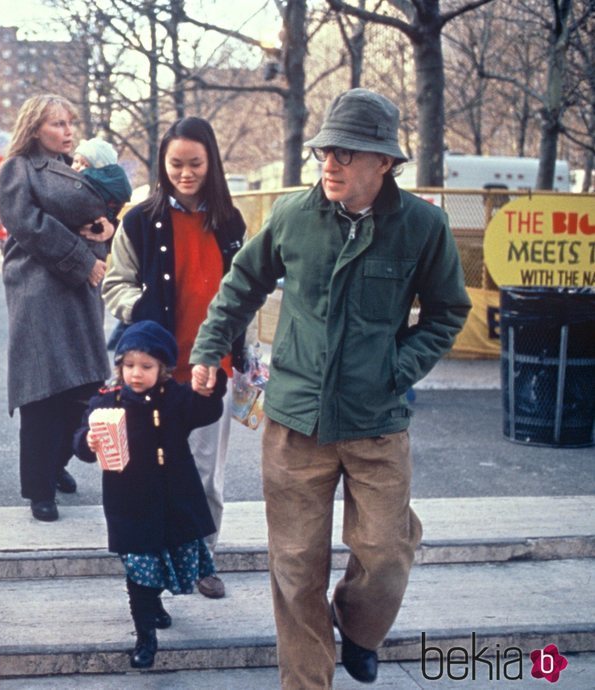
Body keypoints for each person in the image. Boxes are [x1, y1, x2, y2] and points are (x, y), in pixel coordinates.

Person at [189, 89, 472, 688]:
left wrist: (399, 367)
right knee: (295, 569)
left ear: (384, 163)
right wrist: (209, 347)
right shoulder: (293, 215)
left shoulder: (423, 226)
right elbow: (242, 284)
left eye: (347, 153)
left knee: (386, 553)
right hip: (295, 424)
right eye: (324, 152)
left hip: (377, 421)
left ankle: (361, 629)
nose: (330, 164)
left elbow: (449, 310)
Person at [101, 116, 246, 599]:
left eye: (196, 164)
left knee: (206, 475)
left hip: (212, 371)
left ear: (213, 163)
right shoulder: (140, 220)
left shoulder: (231, 223)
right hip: (153, 374)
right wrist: (139, 308)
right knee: (148, 472)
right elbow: (113, 283)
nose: (186, 174)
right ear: (162, 164)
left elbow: (246, 292)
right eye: (176, 164)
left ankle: (204, 559)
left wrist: (244, 358)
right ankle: (152, 569)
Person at [73, 320, 227, 669]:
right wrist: (89, 440)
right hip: (128, 502)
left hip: (173, 498)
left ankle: (155, 604)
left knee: (165, 560)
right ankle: (146, 638)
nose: (136, 374)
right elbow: (81, 437)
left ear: (164, 369)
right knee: (139, 568)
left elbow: (208, 410)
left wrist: (212, 387)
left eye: (146, 366)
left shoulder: (176, 398)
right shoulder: (107, 400)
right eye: (128, 365)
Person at [0, 94, 116, 522]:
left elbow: (97, 220)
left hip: (78, 291)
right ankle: (39, 487)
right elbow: (28, 225)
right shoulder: (18, 169)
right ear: (34, 129)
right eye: (57, 124)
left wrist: (106, 230)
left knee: (84, 388)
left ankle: (57, 460)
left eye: (70, 123)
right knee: (43, 392)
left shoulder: (74, 170)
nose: (68, 131)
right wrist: (83, 259)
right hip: (39, 292)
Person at [71, 137, 134, 228]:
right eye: (76, 161)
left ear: (99, 170)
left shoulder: (91, 185)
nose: (77, 166)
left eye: (86, 165)